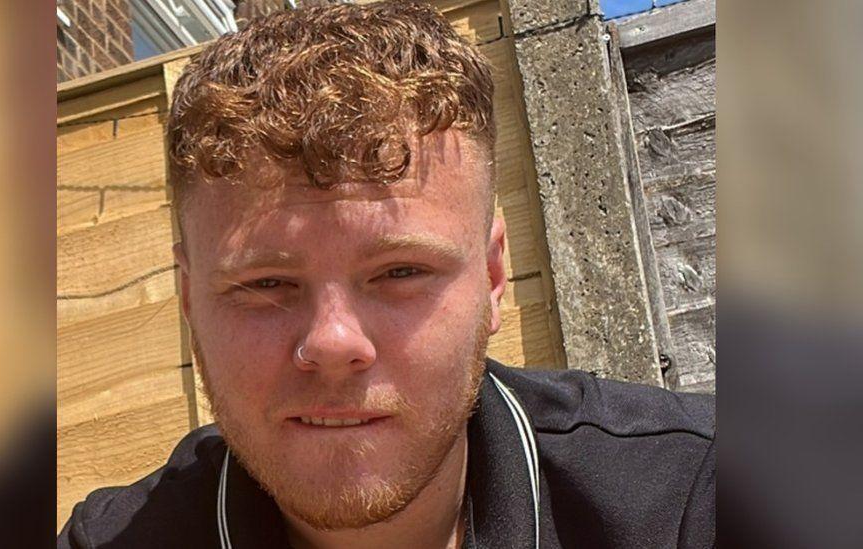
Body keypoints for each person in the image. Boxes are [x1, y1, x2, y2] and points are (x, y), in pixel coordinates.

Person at [58, 2, 714, 547]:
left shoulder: (695, 497)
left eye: (401, 269)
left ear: (491, 279)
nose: (334, 342)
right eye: (265, 284)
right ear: (189, 300)